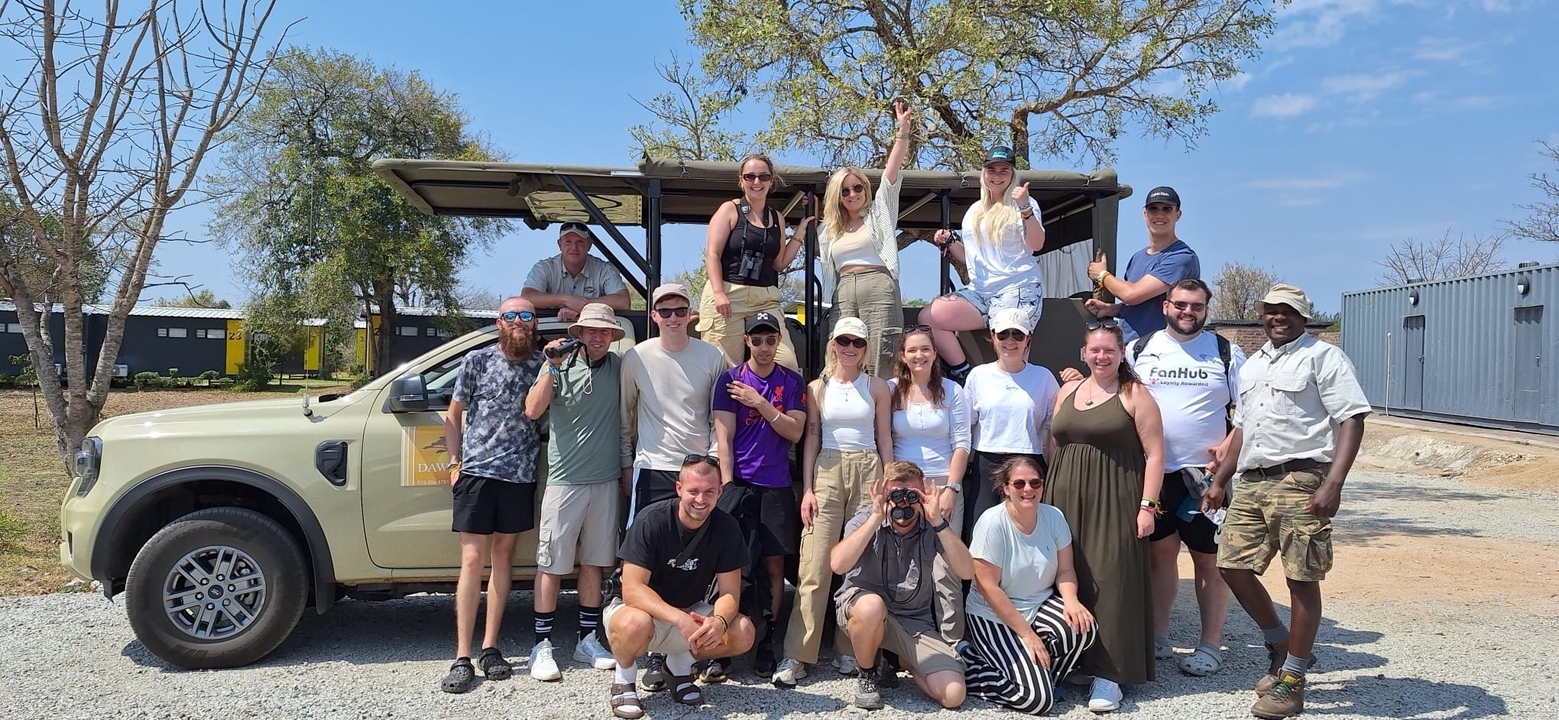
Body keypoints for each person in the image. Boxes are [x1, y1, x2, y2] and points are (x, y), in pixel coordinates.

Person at [1204, 283, 1369, 720]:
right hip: (1253, 481)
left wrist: (1333, 483)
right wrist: (1220, 479)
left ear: (1303, 316)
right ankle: (1279, 641)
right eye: (1271, 311)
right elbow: (1242, 429)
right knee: (1231, 566)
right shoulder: (1252, 365)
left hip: (1302, 480)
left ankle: (1293, 679)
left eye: (1288, 311)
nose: (1278, 317)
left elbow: (1351, 419)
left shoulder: (1324, 357)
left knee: (1300, 578)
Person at [1043, 320, 1166, 713]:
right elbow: (1054, 443)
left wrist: (1148, 506)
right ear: (1084, 352)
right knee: (1070, 576)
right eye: (1094, 350)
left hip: (1116, 498)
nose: (1101, 356)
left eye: (1109, 350)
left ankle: (1111, 675)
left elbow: (1156, 455)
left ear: (1121, 353)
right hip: (1063, 497)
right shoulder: (1068, 390)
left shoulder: (1136, 394)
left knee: (1112, 580)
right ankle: (1079, 660)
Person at [1128, 279, 1246, 677]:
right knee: (1159, 557)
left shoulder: (1227, 353)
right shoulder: (1140, 350)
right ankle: (1159, 635)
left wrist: (1229, 445)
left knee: (1209, 562)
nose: (1187, 312)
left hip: (1205, 479)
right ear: (1165, 306)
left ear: (1206, 310)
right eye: (1180, 304)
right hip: (1154, 475)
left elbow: (1251, 411)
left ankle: (1210, 644)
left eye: (1196, 306)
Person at [774, 316, 894, 688]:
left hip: (868, 466)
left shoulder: (876, 387)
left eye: (857, 342)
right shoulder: (816, 388)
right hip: (827, 465)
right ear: (833, 344)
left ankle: (850, 649)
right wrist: (807, 488)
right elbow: (810, 438)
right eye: (843, 341)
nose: (850, 348)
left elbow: (885, 436)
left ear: (865, 348)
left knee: (860, 565)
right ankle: (798, 654)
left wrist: (887, 481)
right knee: (814, 563)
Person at [438, 297, 546, 693]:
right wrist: (454, 462)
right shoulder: (477, 360)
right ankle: (462, 655)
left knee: (503, 558)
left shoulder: (541, 365)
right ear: (499, 322)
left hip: (518, 476)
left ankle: (490, 647)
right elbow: (453, 415)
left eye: (527, 316)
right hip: (477, 473)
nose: (519, 322)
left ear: (534, 324)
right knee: (471, 560)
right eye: (511, 315)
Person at [522, 303, 630, 681]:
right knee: (551, 564)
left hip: (605, 480)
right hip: (564, 480)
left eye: (605, 331)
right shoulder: (557, 366)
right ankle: (541, 644)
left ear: (612, 336)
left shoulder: (619, 366)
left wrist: (627, 467)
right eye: (592, 330)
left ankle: (586, 639)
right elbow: (533, 410)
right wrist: (550, 365)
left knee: (594, 564)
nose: (598, 336)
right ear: (580, 333)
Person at [604, 457, 757, 719]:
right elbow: (632, 589)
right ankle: (625, 678)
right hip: (641, 612)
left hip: (690, 610)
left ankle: (677, 667)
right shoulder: (651, 520)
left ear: (720, 491)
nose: (701, 500)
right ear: (679, 489)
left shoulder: (727, 527)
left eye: (709, 491)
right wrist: (680, 620)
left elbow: (730, 592)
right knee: (633, 624)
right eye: (693, 491)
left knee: (742, 631)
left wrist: (719, 621)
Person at [830, 461, 975, 710]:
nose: (904, 502)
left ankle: (903, 659)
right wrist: (876, 517)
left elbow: (966, 570)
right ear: (885, 494)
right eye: (896, 495)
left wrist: (938, 521)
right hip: (866, 611)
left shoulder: (932, 525)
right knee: (871, 607)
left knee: (953, 694)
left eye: (913, 495)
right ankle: (867, 673)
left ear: (923, 496)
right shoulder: (867, 517)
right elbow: (838, 564)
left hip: (913, 621)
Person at [711, 311, 807, 679]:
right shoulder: (730, 380)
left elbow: (795, 432)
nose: (764, 346)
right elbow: (724, 438)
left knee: (773, 565)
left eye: (770, 339)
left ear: (778, 341)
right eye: (757, 339)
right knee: (735, 565)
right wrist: (728, 484)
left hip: (776, 483)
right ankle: (726, 643)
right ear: (747, 340)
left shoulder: (792, 381)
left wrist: (761, 403)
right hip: (741, 483)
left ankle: (765, 638)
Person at [964, 456, 1098, 715]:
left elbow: (1066, 570)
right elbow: (988, 588)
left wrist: (1071, 600)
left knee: (1083, 627)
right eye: (1019, 483)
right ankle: (970, 664)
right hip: (992, 614)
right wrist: (1027, 635)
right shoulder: (992, 523)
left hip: (1038, 603)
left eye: (1035, 482)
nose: (1028, 489)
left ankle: (1041, 677)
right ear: (1006, 488)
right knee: (1035, 700)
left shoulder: (1053, 516)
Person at [800, 99, 913, 378]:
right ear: (837, 196)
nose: (853, 194)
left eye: (858, 187)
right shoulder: (828, 229)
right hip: (842, 290)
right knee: (840, 356)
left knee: (881, 355)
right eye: (846, 191)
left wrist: (903, 131)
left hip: (878, 285)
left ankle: (881, 419)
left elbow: (891, 174)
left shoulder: (879, 213)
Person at [920, 145, 1048, 380]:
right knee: (929, 318)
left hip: (1017, 287)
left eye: (1004, 170)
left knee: (1009, 351)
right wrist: (948, 242)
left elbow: (1036, 243)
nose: (997, 175)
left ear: (1012, 175)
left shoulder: (1023, 204)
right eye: (992, 169)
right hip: (980, 292)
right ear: (984, 173)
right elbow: (971, 258)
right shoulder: (974, 211)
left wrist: (1026, 208)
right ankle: (963, 374)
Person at [888, 326, 971, 642]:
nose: (919, 355)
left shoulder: (952, 391)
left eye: (925, 349)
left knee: (946, 566)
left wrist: (952, 487)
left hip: (942, 486)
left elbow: (962, 443)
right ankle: (901, 641)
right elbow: (884, 438)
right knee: (901, 564)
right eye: (912, 350)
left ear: (935, 354)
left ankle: (952, 641)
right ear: (903, 356)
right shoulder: (890, 389)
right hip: (903, 487)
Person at [620, 283, 730, 519]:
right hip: (651, 467)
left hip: (698, 469)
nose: (673, 317)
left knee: (698, 549)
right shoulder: (635, 357)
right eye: (665, 311)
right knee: (643, 548)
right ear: (654, 316)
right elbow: (624, 415)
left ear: (690, 314)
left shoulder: (713, 357)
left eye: (680, 311)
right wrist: (626, 464)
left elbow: (718, 418)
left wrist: (713, 460)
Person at [697, 154, 802, 369]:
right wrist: (719, 293)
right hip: (728, 295)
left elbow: (779, 263)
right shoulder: (729, 210)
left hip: (764, 298)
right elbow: (713, 255)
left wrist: (800, 233)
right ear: (741, 179)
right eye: (750, 176)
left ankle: (775, 404)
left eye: (763, 177)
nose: (757, 182)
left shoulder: (777, 218)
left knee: (786, 363)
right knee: (726, 368)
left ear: (771, 181)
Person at [963, 308, 1060, 540]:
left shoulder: (1044, 377)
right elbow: (966, 427)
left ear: (1028, 339)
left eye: (1018, 335)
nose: (1010, 341)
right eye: (1003, 334)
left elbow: (1056, 427)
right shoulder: (978, 376)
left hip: (1028, 461)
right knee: (980, 533)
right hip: (986, 461)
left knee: (1026, 533)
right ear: (993, 336)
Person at [1085, 186, 1201, 341]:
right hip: (1130, 349)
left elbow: (1131, 295)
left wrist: (1101, 275)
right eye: (1153, 209)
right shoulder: (1137, 257)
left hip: (1162, 350)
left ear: (1178, 214)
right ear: (1145, 214)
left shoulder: (1182, 258)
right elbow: (1144, 305)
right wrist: (1112, 310)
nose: (1159, 214)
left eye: (1167, 209)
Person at [522, 221, 632, 321]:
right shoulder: (544, 267)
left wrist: (584, 306)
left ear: (589, 245)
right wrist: (566, 299)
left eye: (580, 242)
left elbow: (623, 301)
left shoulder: (604, 269)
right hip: (549, 336)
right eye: (568, 241)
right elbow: (527, 297)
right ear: (559, 245)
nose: (574, 247)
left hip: (593, 336)